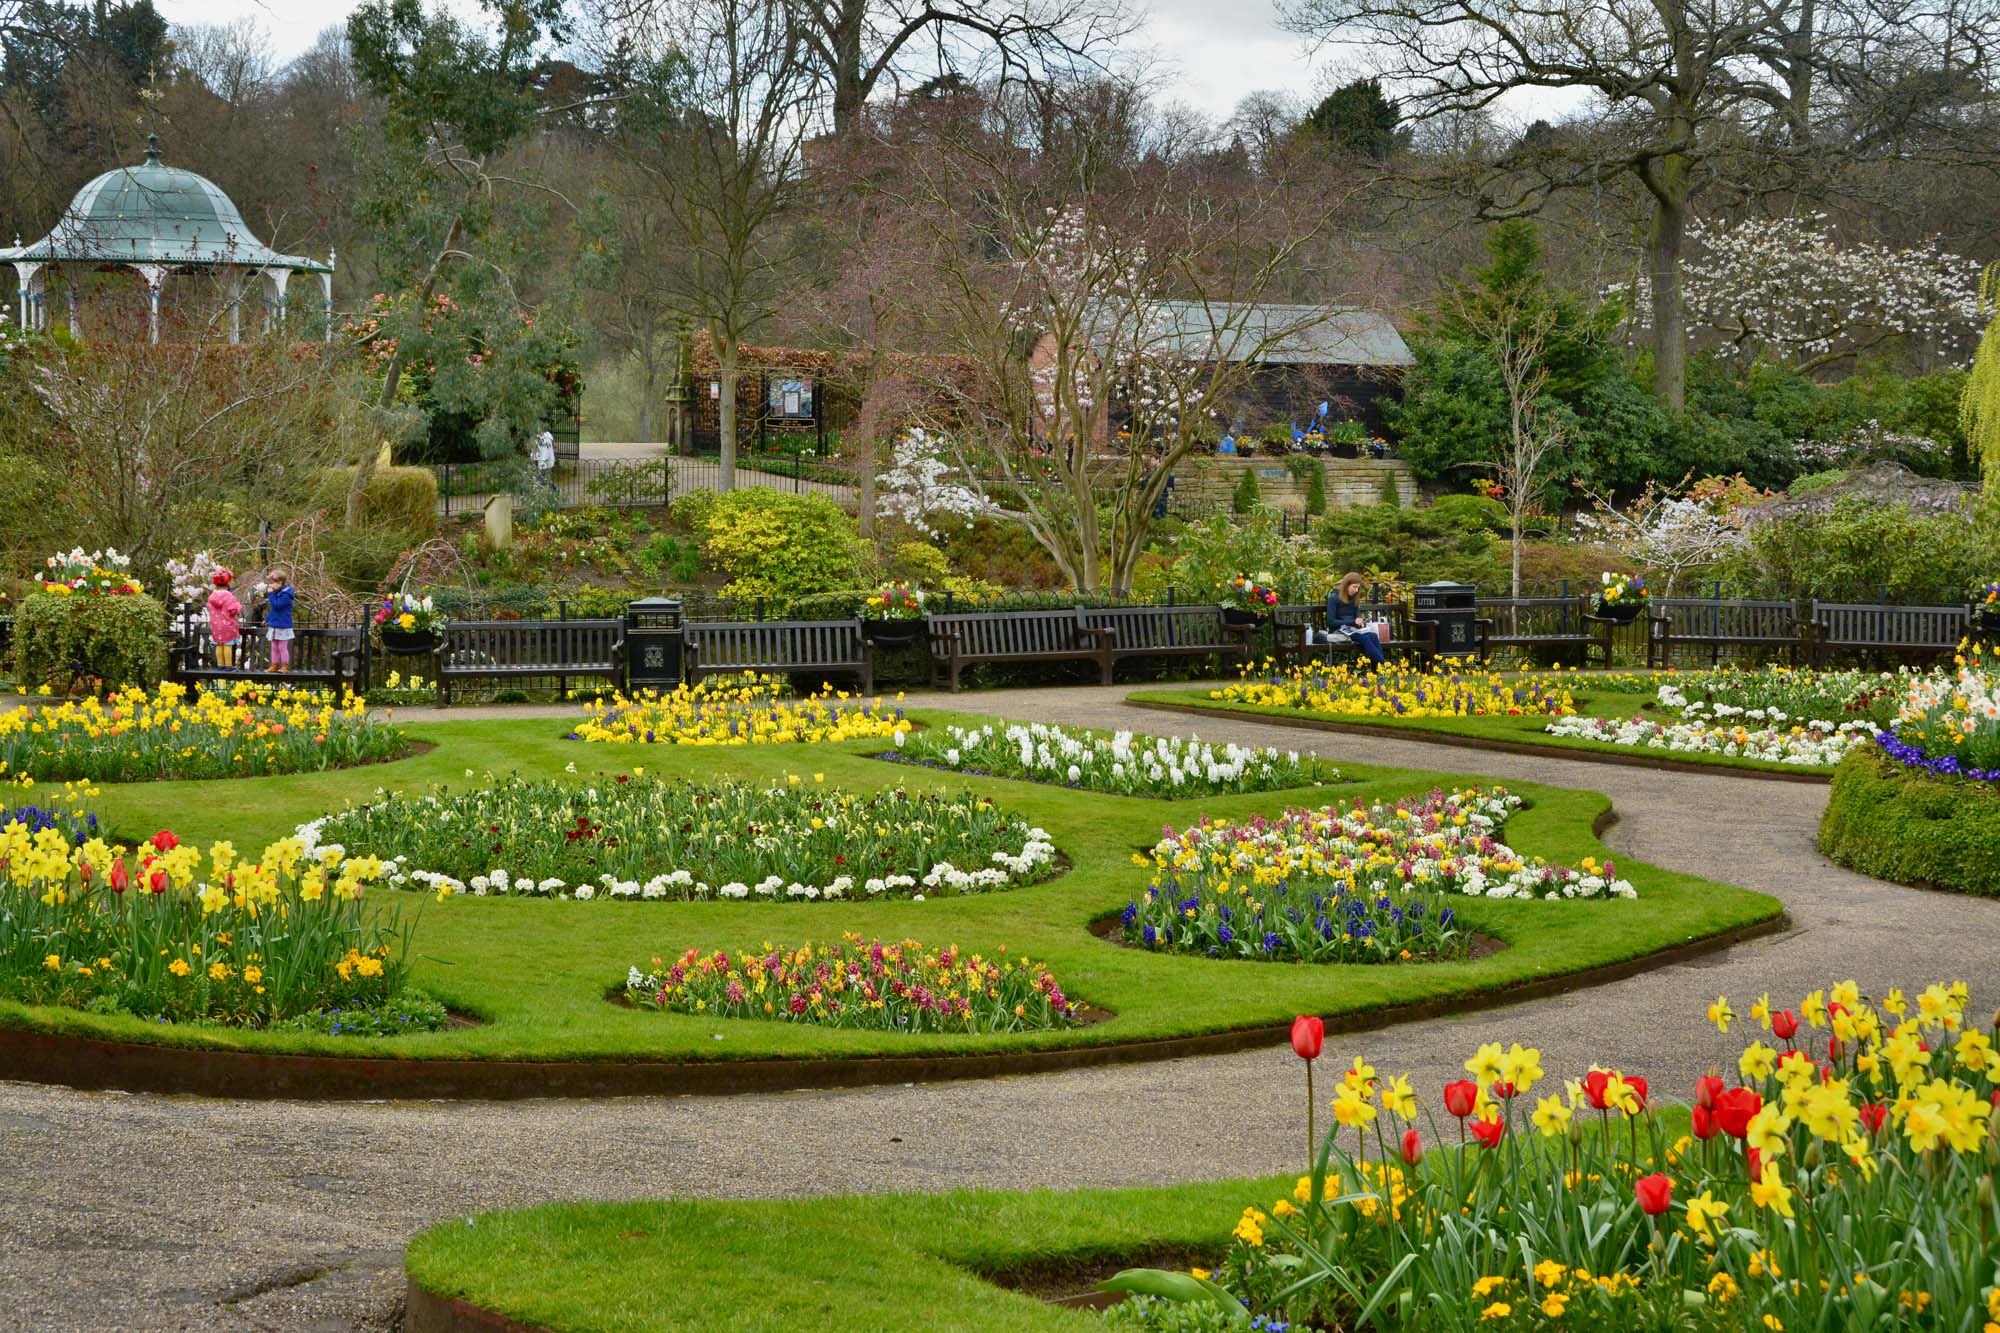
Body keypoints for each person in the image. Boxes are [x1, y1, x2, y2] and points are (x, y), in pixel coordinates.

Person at [1317, 571, 1387, 666]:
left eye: (1358, 587)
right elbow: (1331, 622)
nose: (1356, 590)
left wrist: (1360, 622)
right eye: (1354, 587)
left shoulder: (1354, 599)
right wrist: (1353, 621)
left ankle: (1378, 669)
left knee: (1373, 636)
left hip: (1353, 630)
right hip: (1338, 630)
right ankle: (1384, 665)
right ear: (1346, 585)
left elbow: (1356, 617)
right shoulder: (1334, 598)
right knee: (1365, 638)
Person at [206, 569, 243, 671]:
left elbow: (209, 609)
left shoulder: (211, 597)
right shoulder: (229, 596)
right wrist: (238, 606)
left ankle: (220, 665)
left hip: (216, 626)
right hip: (227, 625)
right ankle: (228, 666)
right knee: (227, 645)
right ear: (228, 584)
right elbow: (233, 611)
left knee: (219, 644)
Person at [262, 568, 296, 673]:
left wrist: (270, 594)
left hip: (283, 625)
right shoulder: (277, 593)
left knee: (282, 647)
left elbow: (277, 605)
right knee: (274, 647)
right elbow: (273, 610)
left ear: (280, 582)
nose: (270, 585)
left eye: (272, 583)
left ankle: (285, 666)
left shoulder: (286, 594)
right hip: (274, 624)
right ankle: (274, 665)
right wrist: (267, 619)